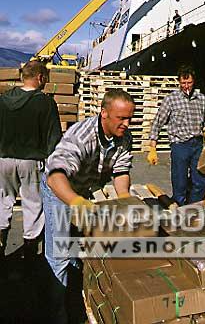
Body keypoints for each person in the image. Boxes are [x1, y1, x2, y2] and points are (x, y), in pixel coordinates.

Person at [42, 89, 135, 323]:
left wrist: (124, 198)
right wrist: (76, 203)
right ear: (104, 113)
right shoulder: (82, 136)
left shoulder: (124, 136)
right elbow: (55, 176)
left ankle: (74, 293)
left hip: (84, 189)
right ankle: (56, 314)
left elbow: (121, 170)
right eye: (121, 118)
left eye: (129, 118)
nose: (126, 123)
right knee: (60, 254)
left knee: (79, 245)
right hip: (60, 190)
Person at [0, 60, 62, 271]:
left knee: (2, 203)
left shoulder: (4, 100)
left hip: (3, 160)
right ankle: (29, 258)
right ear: (39, 77)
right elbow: (54, 138)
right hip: (31, 161)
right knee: (33, 205)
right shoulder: (45, 102)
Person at [147, 65, 205, 206]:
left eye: (189, 83)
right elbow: (157, 122)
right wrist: (152, 147)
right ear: (179, 82)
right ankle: (178, 208)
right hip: (180, 146)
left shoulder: (201, 99)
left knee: (200, 180)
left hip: (197, 144)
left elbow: (203, 120)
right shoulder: (171, 99)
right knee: (180, 182)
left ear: (194, 81)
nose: (186, 86)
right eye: (183, 83)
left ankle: (194, 209)